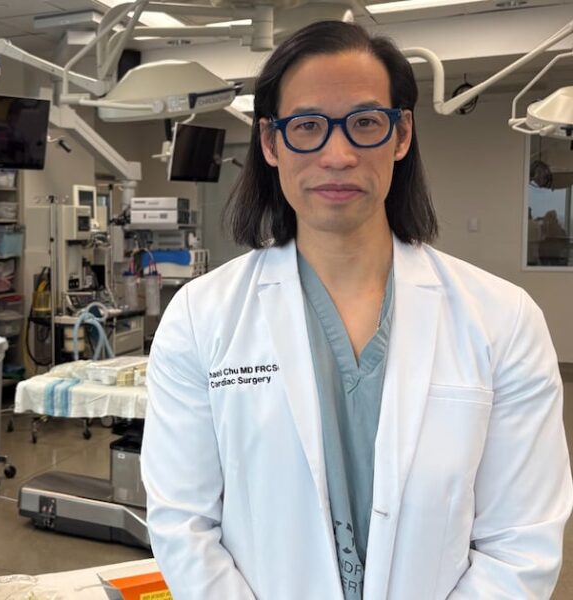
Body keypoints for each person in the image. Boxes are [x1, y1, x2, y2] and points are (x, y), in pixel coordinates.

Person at [141, 20, 572, 600]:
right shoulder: (200, 318)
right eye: (307, 126)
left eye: (365, 123)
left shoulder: (504, 319)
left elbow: (521, 542)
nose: (338, 155)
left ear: (401, 135)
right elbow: (184, 525)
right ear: (270, 143)